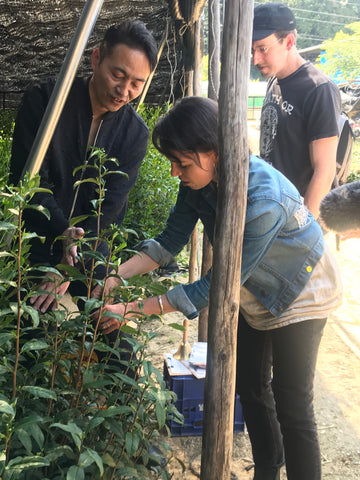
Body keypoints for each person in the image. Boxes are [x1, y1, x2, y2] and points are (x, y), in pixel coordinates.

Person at [93, 96, 342, 480]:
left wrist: (129, 310)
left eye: (182, 162)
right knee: (250, 386)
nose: (176, 172)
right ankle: (267, 470)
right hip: (252, 287)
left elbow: (215, 286)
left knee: (293, 402)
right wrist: (116, 276)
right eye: (173, 162)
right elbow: (167, 243)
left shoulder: (262, 202)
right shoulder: (200, 180)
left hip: (302, 287)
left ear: (213, 149)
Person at [9, 20, 157, 313]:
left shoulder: (135, 133)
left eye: (136, 83)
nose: (124, 90)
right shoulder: (44, 102)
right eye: (118, 74)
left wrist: (72, 261)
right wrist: (63, 234)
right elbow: (28, 181)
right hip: (35, 239)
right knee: (25, 328)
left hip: (91, 248)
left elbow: (110, 206)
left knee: (110, 335)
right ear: (96, 58)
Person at [252, 2, 341, 220]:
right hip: (274, 209)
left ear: (289, 41)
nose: (255, 59)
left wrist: (304, 225)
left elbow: (325, 170)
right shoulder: (274, 81)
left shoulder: (319, 89)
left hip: (300, 217)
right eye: (252, 50)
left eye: (262, 49)